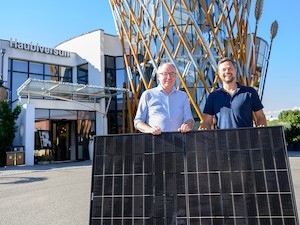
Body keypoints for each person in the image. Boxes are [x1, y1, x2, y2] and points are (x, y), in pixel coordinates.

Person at [200, 57, 267, 130]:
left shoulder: (249, 92)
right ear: (219, 73)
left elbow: (261, 117)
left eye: (230, 68)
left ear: (235, 70)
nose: (227, 71)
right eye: (223, 70)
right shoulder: (213, 96)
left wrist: (262, 131)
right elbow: (207, 122)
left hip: (247, 140)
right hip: (223, 140)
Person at [134, 62, 195, 135]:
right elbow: (138, 122)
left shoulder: (183, 96)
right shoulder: (148, 95)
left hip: (179, 141)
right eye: (165, 74)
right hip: (155, 141)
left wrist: (187, 125)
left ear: (175, 77)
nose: (169, 77)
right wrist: (150, 129)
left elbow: (189, 118)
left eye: (172, 74)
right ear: (159, 77)